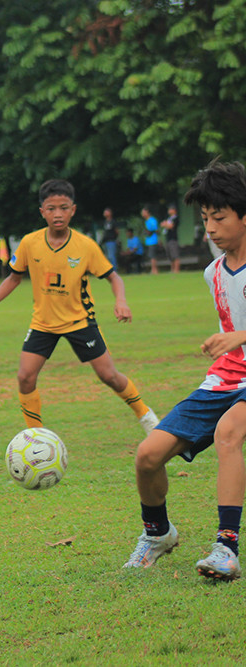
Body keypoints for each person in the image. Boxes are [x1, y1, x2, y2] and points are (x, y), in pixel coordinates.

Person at [122, 160, 246, 580]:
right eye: (205, 218)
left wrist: (239, 336)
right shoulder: (214, 272)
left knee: (228, 434)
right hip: (225, 380)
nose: (210, 228)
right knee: (147, 456)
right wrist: (229, 342)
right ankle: (158, 533)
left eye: (219, 218)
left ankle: (226, 548)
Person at [0, 179, 158, 434]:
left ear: (73, 210)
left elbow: (114, 277)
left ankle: (146, 416)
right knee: (25, 377)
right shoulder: (29, 243)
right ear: (42, 212)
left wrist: (121, 301)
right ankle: (36, 437)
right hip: (43, 323)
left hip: (79, 320)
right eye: (51, 208)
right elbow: (13, 278)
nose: (57, 214)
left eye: (63, 208)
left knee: (109, 376)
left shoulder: (85, 246)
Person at [162, 203, 181, 273]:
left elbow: (171, 226)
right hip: (168, 238)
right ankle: (172, 269)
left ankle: (176, 270)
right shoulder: (169, 218)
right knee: (170, 255)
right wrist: (166, 224)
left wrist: (165, 224)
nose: (169, 210)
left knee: (175, 255)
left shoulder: (176, 218)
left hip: (173, 239)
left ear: (174, 210)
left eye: (170, 209)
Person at [142, 206, 160, 274]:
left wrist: (149, 232)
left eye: (144, 212)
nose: (143, 214)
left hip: (153, 241)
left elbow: (156, 230)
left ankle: (154, 270)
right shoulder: (146, 221)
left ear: (148, 212)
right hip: (149, 241)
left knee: (153, 256)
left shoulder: (152, 220)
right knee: (151, 256)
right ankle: (153, 270)